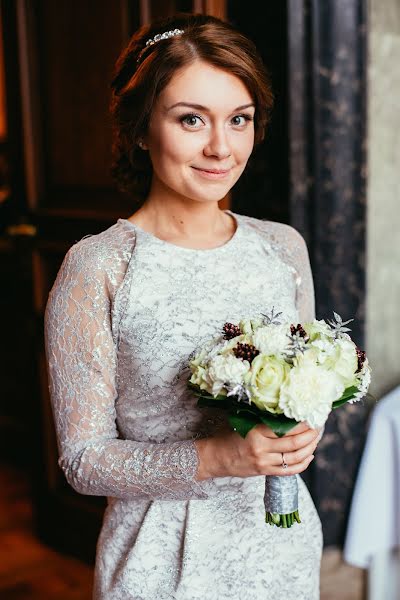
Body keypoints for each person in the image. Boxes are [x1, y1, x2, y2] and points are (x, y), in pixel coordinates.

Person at [44, 12, 323, 600]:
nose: (221, 146)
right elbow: (82, 461)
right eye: (191, 119)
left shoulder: (282, 247)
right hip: (161, 559)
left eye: (239, 119)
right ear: (142, 130)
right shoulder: (99, 267)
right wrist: (218, 456)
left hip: (280, 544)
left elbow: (308, 389)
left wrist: (301, 433)